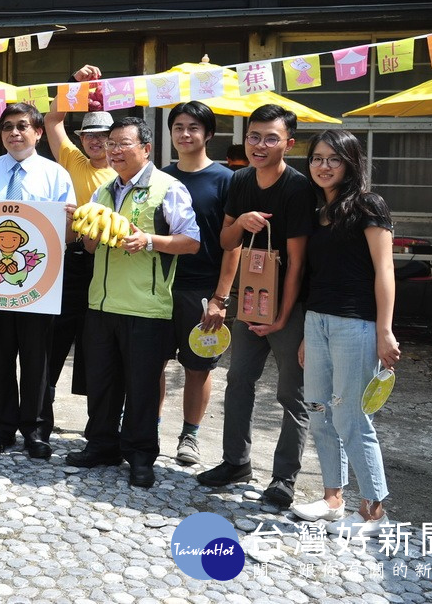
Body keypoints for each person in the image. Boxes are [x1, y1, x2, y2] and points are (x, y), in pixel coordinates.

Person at [67, 117, 201, 488]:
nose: (114, 151)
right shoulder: (104, 190)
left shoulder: (168, 188)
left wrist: (150, 240)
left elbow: (191, 241)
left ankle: (141, 455)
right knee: (102, 382)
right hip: (102, 303)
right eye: (110, 144)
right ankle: (101, 445)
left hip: (146, 306)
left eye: (123, 143)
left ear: (146, 148)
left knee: (142, 387)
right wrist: (84, 226)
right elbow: (91, 246)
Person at [198, 104, 314, 509]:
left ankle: (284, 478)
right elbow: (227, 242)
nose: (259, 145)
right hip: (250, 299)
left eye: (270, 138)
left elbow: (298, 263)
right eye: (253, 136)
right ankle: (236, 462)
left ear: (289, 143)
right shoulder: (241, 180)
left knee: (291, 393)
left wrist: (283, 317)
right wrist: (241, 221)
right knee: (239, 381)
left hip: (289, 305)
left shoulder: (298, 188)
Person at [290, 129, 400, 537]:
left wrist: (385, 331)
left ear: (351, 162)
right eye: (317, 158)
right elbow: (317, 278)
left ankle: (374, 511)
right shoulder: (319, 211)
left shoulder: (369, 205)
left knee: (352, 415)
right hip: (316, 321)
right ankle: (333, 498)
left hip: (356, 324)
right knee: (318, 409)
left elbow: (385, 270)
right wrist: (306, 333)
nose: (323, 166)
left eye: (333, 159)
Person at [0, 102, 74, 459]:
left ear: (37, 132)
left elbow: (68, 233)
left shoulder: (56, 175)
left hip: (38, 284)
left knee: (37, 359)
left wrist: (69, 221)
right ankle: (0, 428)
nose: (14, 133)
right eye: (7, 127)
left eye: (21, 126)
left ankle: (35, 429)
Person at [158, 102, 239, 466]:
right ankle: (147, 427)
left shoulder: (227, 180)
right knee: (151, 363)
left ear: (208, 134)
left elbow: (233, 243)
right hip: (158, 286)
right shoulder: (159, 177)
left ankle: (189, 436)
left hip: (202, 289)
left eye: (193, 127)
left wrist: (220, 298)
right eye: (178, 127)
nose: (185, 134)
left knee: (198, 366)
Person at [42, 66, 117, 442]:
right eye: (90, 135)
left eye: (105, 136)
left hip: (109, 263)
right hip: (70, 260)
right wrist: (78, 87)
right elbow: (52, 118)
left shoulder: (123, 174)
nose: (97, 142)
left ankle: (98, 426)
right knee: (55, 339)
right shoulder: (72, 160)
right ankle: (42, 415)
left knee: (98, 345)